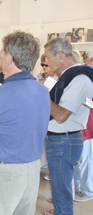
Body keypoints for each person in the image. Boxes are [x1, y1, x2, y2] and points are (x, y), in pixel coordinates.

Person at [0, 31, 50, 214]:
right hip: (32, 170)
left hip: (6, 172)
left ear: (10, 57)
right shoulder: (42, 91)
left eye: (2, 52)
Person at [44, 38, 93, 215]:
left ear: (61, 55)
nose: (46, 62)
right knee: (60, 188)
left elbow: (61, 115)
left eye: (48, 57)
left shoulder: (80, 79)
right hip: (60, 140)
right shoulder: (68, 77)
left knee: (62, 191)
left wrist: (41, 94)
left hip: (64, 140)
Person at [74, 50, 93, 202]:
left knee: (86, 159)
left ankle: (88, 190)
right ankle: (78, 186)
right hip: (80, 121)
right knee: (79, 159)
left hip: (88, 123)